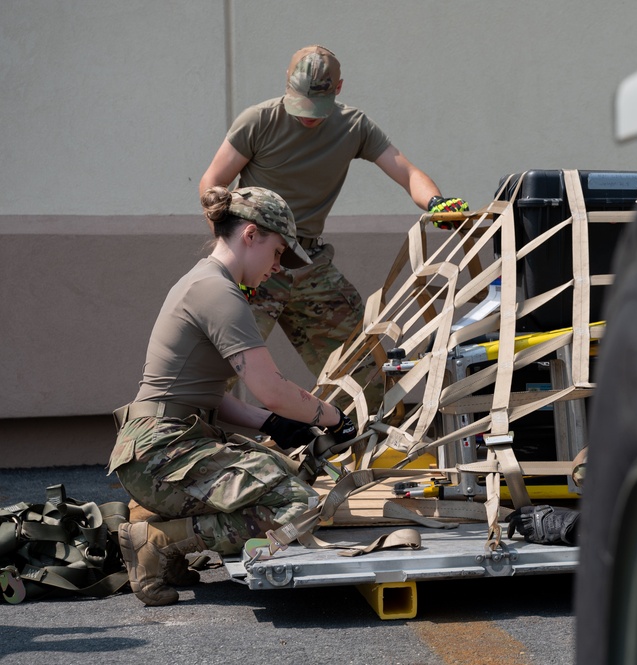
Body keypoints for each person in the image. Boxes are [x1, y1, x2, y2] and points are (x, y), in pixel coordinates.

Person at [108, 186, 358, 607]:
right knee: (298, 505)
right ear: (250, 235)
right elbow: (272, 390)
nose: (277, 267)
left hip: (162, 447)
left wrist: (271, 423)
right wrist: (334, 417)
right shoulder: (217, 292)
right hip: (162, 455)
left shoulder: (206, 283)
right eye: (278, 252)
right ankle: (157, 539)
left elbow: (205, 396)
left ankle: (163, 531)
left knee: (286, 479)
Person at [199, 45, 468, 406]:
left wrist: (436, 202)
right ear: (287, 84)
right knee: (214, 369)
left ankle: (369, 448)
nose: (308, 116)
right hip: (254, 260)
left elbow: (406, 171)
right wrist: (234, 264)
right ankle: (181, 447)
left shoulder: (353, 126)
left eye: (317, 107)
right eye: (301, 104)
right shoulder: (258, 121)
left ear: (338, 89)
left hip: (309, 264)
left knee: (363, 367)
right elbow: (212, 185)